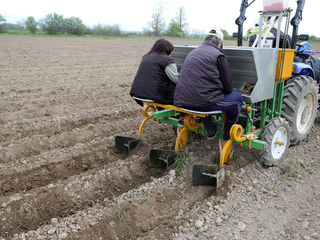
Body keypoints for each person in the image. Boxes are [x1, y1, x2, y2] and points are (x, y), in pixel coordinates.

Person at [174, 29, 243, 140]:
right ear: (219, 43)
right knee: (237, 98)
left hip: (181, 101)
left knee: (203, 96)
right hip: (201, 102)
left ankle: (210, 129)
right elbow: (228, 88)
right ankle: (227, 134)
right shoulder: (218, 55)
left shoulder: (192, 53)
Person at [130, 38, 179, 106]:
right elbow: (176, 79)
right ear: (167, 50)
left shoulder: (146, 57)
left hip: (136, 93)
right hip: (155, 96)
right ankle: (180, 114)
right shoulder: (167, 60)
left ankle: (160, 109)